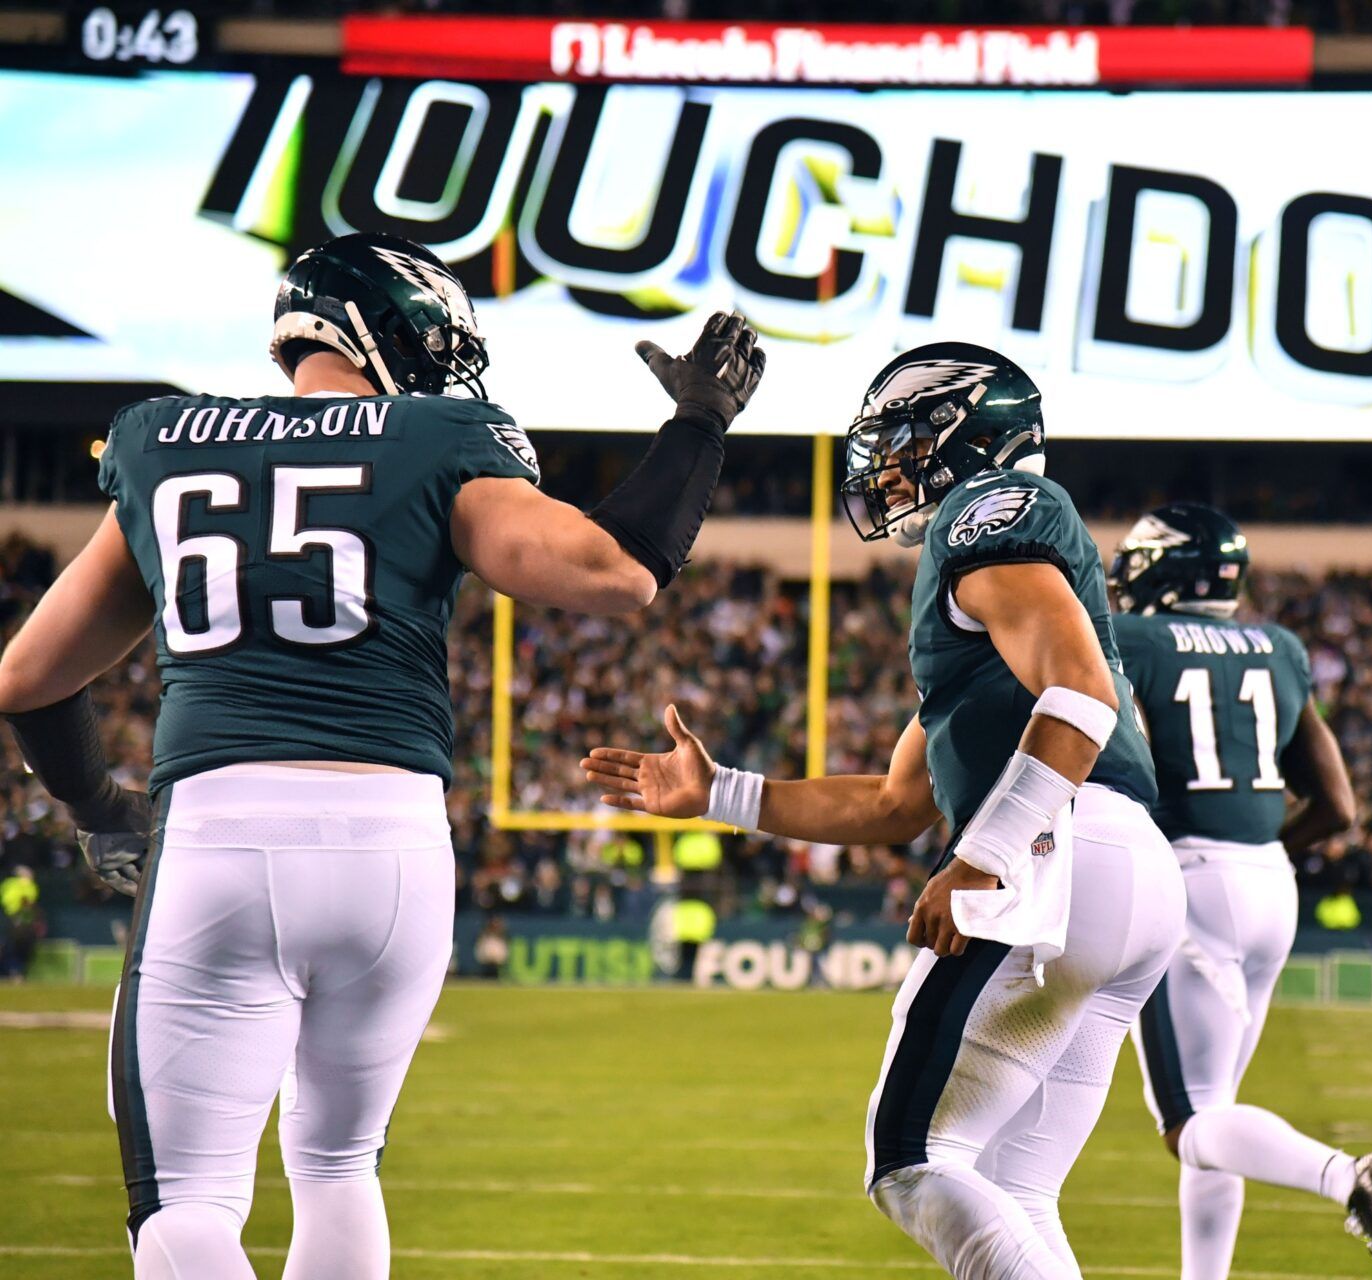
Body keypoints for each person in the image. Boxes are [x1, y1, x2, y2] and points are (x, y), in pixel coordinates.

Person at [0, 231, 764, 1279]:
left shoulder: (161, 440)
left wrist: (97, 808)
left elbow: (28, 678)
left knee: (186, 1201)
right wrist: (697, 426)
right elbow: (618, 570)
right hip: (396, 851)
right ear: (381, 327)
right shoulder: (440, 437)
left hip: (222, 837)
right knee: (338, 1160)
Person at [584, 342, 1183, 1280]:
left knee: (910, 1161)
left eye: (902, 439)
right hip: (1125, 869)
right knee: (1013, 1188)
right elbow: (895, 801)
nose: (884, 463)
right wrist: (721, 794)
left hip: (1056, 852)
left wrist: (983, 857)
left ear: (964, 437)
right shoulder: (986, 614)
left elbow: (1078, 698)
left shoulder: (990, 514)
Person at [1105, 502, 1372, 1280]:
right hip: (1270, 882)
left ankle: (1347, 1178)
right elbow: (1339, 806)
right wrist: (1260, 847)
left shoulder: (1134, 638)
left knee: (1190, 1122)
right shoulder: (1278, 646)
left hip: (1187, 884)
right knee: (1220, 1111)